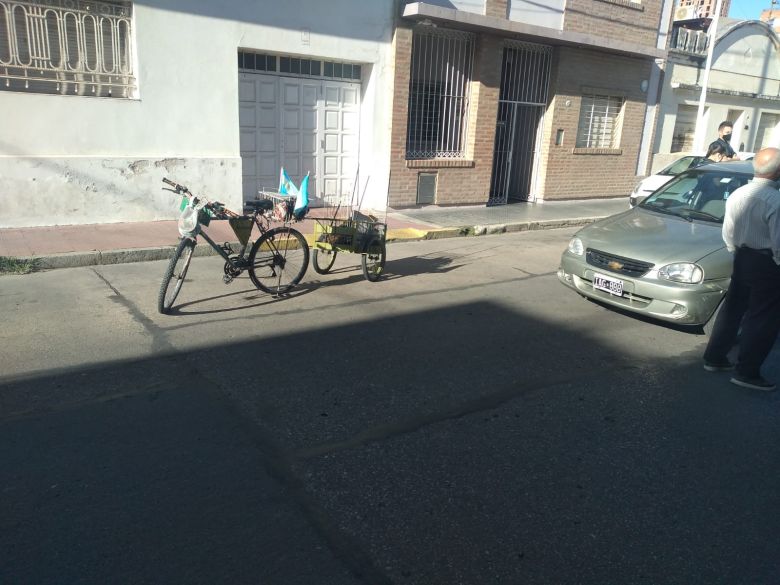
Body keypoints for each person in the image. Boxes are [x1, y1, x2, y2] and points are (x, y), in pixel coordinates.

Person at [702, 147, 780, 391]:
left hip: (742, 257)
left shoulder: (737, 193)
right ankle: (746, 372)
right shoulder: (776, 201)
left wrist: (736, 251)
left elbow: (728, 232)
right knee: (763, 317)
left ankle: (714, 358)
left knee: (732, 308)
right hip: (767, 263)